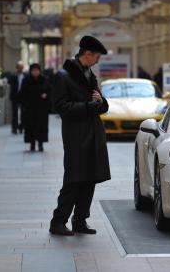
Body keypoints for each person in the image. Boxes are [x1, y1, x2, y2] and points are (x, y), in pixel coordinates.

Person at [50, 35, 111, 236]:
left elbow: (100, 105)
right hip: (76, 136)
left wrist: (100, 101)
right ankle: (58, 221)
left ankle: (80, 220)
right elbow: (60, 107)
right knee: (74, 179)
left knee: (89, 179)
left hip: (93, 134)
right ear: (87, 54)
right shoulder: (64, 76)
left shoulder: (90, 75)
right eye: (97, 57)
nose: (98, 61)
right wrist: (87, 106)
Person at [19, 63, 50, 152]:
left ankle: (40, 144)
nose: (35, 72)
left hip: (42, 109)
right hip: (30, 109)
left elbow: (50, 91)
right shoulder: (26, 80)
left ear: (40, 71)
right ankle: (32, 143)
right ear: (31, 71)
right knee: (30, 126)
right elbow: (22, 94)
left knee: (41, 126)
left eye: (37, 70)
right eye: (34, 70)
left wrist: (46, 95)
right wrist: (25, 105)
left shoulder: (45, 80)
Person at [8, 61, 26, 134]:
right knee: (14, 113)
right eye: (19, 67)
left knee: (23, 113)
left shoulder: (25, 75)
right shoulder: (13, 76)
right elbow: (9, 82)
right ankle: (14, 128)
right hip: (15, 96)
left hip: (23, 97)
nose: (20, 69)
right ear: (16, 68)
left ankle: (21, 127)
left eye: (21, 67)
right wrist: (15, 74)